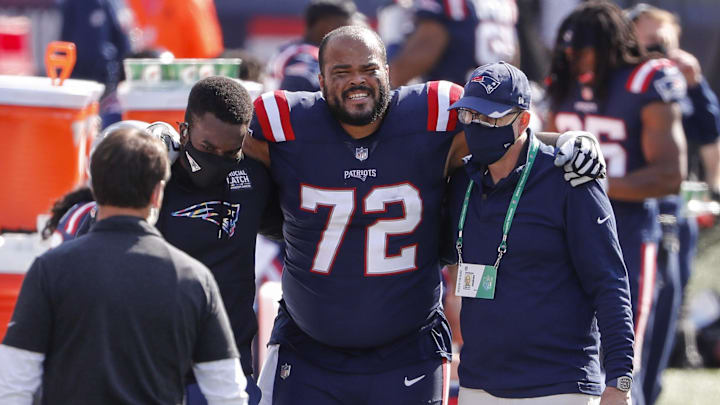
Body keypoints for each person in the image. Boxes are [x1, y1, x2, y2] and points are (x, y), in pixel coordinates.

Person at [243, 25, 605, 405]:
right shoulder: (283, 119)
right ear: (320, 80)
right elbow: (221, 135)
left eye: (368, 69)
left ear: (388, 69)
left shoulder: (432, 112)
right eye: (341, 72)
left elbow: (505, 133)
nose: (357, 82)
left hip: (408, 350)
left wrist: (564, 141)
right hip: (307, 351)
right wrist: (172, 137)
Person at [0, 127, 247, 404]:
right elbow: (228, 393)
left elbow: (14, 382)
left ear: (95, 188)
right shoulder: (193, 279)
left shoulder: (50, 270)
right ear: (157, 193)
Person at [445, 61, 634, 405]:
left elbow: (609, 282)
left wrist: (619, 381)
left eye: (490, 117)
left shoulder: (570, 179)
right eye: (469, 115)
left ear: (523, 121)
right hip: (478, 385)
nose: (476, 125)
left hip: (559, 386)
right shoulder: (461, 182)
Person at [546, 3, 687, 404]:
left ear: (607, 46)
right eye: (568, 51)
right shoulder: (563, 81)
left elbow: (668, 175)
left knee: (623, 357)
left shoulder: (647, 79)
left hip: (626, 231)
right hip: (564, 231)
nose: (573, 59)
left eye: (583, 50)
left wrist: (593, 183)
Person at [157, 76, 282, 405]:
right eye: (207, 148)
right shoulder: (153, 178)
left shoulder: (256, 178)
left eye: (230, 152)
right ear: (183, 131)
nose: (216, 159)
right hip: (156, 370)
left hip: (229, 370)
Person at [628, 4, 720, 404]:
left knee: (663, 319)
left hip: (670, 212)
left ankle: (648, 395)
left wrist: (696, 83)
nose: (659, 54)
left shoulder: (680, 85)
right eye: (650, 44)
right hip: (625, 210)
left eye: (665, 44)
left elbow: (711, 140)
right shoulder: (621, 83)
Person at [387, 0, 519, 87]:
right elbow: (513, 56)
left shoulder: (453, 4)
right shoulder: (505, 3)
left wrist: (391, 74)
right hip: (500, 101)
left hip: (460, 104)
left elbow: (422, 52)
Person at [266, 0, 359, 92]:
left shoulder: (291, 49)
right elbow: (299, 82)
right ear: (325, 25)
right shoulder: (302, 54)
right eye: (346, 26)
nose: (350, 33)